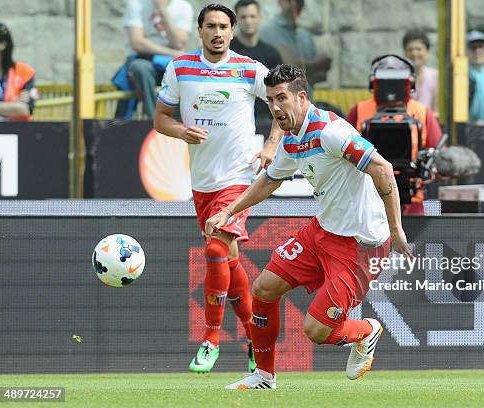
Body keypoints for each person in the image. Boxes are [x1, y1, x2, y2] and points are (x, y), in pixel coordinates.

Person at [203, 64, 412, 389]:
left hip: (360, 244)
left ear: (301, 97)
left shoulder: (330, 131)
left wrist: (396, 229)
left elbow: (383, 170)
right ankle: (264, 376)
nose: (274, 107)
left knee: (316, 331)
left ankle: (366, 330)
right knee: (263, 289)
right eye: (270, 100)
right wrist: (228, 211)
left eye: (281, 98)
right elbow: (269, 181)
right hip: (322, 233)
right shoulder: (292, 139)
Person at [153, 3, 284, 374]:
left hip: (240, 178)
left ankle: (210, 338)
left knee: (213, 247)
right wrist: (181, 130)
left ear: (233, 30)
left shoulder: (249, 69)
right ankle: (253, 340)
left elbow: (282, 104)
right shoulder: (180, 68)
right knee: (227, 259)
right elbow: (161, 119)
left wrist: (271, 146)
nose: (218, 33)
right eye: (210, 26)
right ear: (200, 30)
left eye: (224, 26)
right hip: (203, 181)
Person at [346, 55, 443, 215]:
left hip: (411, 202)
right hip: (366, 199)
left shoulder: (422, 113)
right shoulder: (359, 111)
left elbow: (439, 157)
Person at [118, 0, 194, 118]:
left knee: (188, 70)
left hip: (170, 63)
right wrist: (172, 52)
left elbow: (179, 43)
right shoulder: (136, 4)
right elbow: (137, 43)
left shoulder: (184, 7)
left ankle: (182, 121)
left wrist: (162, 10)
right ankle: (156, 120)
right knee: (140, 68)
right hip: (143, 60)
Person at [259, 0, 332, 96]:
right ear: (280, 2)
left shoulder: (306, 35)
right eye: (289, 1)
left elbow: (322, 75)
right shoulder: (268, 32)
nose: (294, 5)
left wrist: (302, 69)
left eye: (298, 1)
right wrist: (315, 64)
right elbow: (289, 66)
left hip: (306, 102)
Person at [230, 0, 283, 120]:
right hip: (234, 118)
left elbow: (281, 90)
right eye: (243, 17)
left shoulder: (271, 53)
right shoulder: (227, 52)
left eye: (252, 16)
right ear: (236, 20)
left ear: (260, 18)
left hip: (266, 120)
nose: (248, 21)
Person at [0, 22, 38, 121]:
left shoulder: (24, 72)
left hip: (18, 130)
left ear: (3, 44)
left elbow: (25, 110)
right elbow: (18, 108)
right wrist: (13, 103)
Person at [403, 29, 438, 113]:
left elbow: (437, 110)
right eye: (410, 49)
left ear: (427, 51)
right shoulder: (400, 77)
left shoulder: (434, 76)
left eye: (418, 49)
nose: (414, 53)